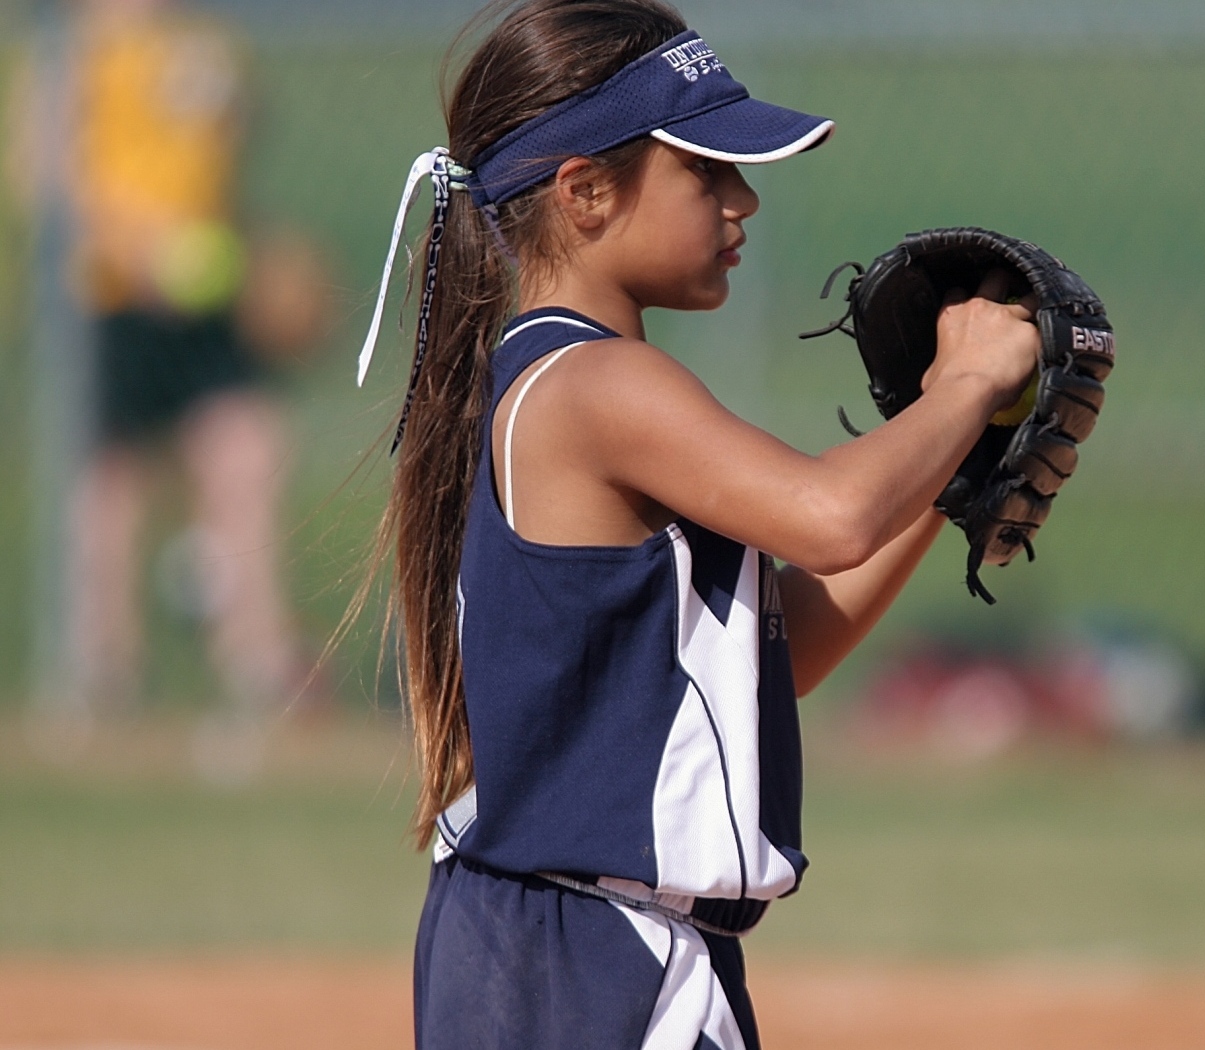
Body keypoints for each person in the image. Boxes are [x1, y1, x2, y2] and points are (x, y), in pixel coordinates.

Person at [356, 2, 1039, 1046]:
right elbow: (832, 514)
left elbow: (785, 645)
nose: (743, 199)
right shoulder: (594, 384)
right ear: (585, 192)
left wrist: (954, 460)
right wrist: (964, 383)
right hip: (581, 961)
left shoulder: (583, 380)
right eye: (706, 171)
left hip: (607, 950)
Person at [18, 0, 304, 748]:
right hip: (106, 305)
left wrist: (246, 251)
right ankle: (100, 676)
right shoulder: (70, 55)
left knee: (246, 453)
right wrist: (143, 247)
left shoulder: (202, 48)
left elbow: (227, 162)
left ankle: (260, 666)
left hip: (201, 302)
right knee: (108, 492)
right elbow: (43, 178)